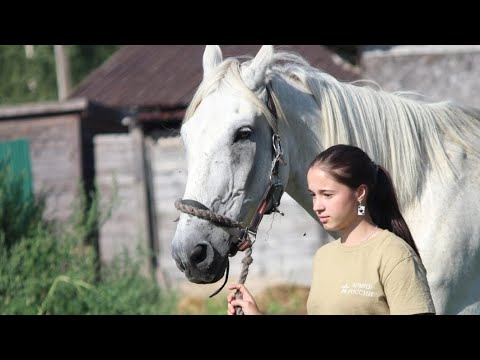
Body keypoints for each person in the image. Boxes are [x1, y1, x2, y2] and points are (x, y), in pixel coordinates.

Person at [227, 144, 436, 315]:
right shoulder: (324, 256)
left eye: (327, 195)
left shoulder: (395, 255)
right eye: (313, 195)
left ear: (360, 193)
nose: (317, 205)